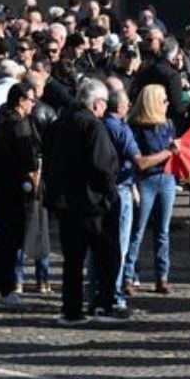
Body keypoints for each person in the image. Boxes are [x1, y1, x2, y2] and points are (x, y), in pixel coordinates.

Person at [43, 79, 123, 325]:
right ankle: (104, 304)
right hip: (93, 203)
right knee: (106, 256)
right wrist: (110, 193)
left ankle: (72, 309)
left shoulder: (60, 123)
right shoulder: (92, 126)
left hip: (67, 202)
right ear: (97, 103)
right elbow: (104, 165)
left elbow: (49, 160)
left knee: (73, 260)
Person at [122, 84, 180, 295]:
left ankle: (162, 276)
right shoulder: (136, 128)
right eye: (163, 100)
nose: (167, 104)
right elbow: (141, 163)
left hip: (166, 179)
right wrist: (168, 152)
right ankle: (129, 275)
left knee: (163, 231)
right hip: (145, 181)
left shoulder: (168, 124)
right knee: (137, 231)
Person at [0, 83, 33, 307]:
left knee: (4, 239)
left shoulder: (0, 120)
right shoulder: (18, 125)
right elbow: (28, 161)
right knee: (11, 241)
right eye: (31, 100)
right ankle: (6, 289)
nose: (33, 104)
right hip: (13, 188)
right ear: (21, 101)